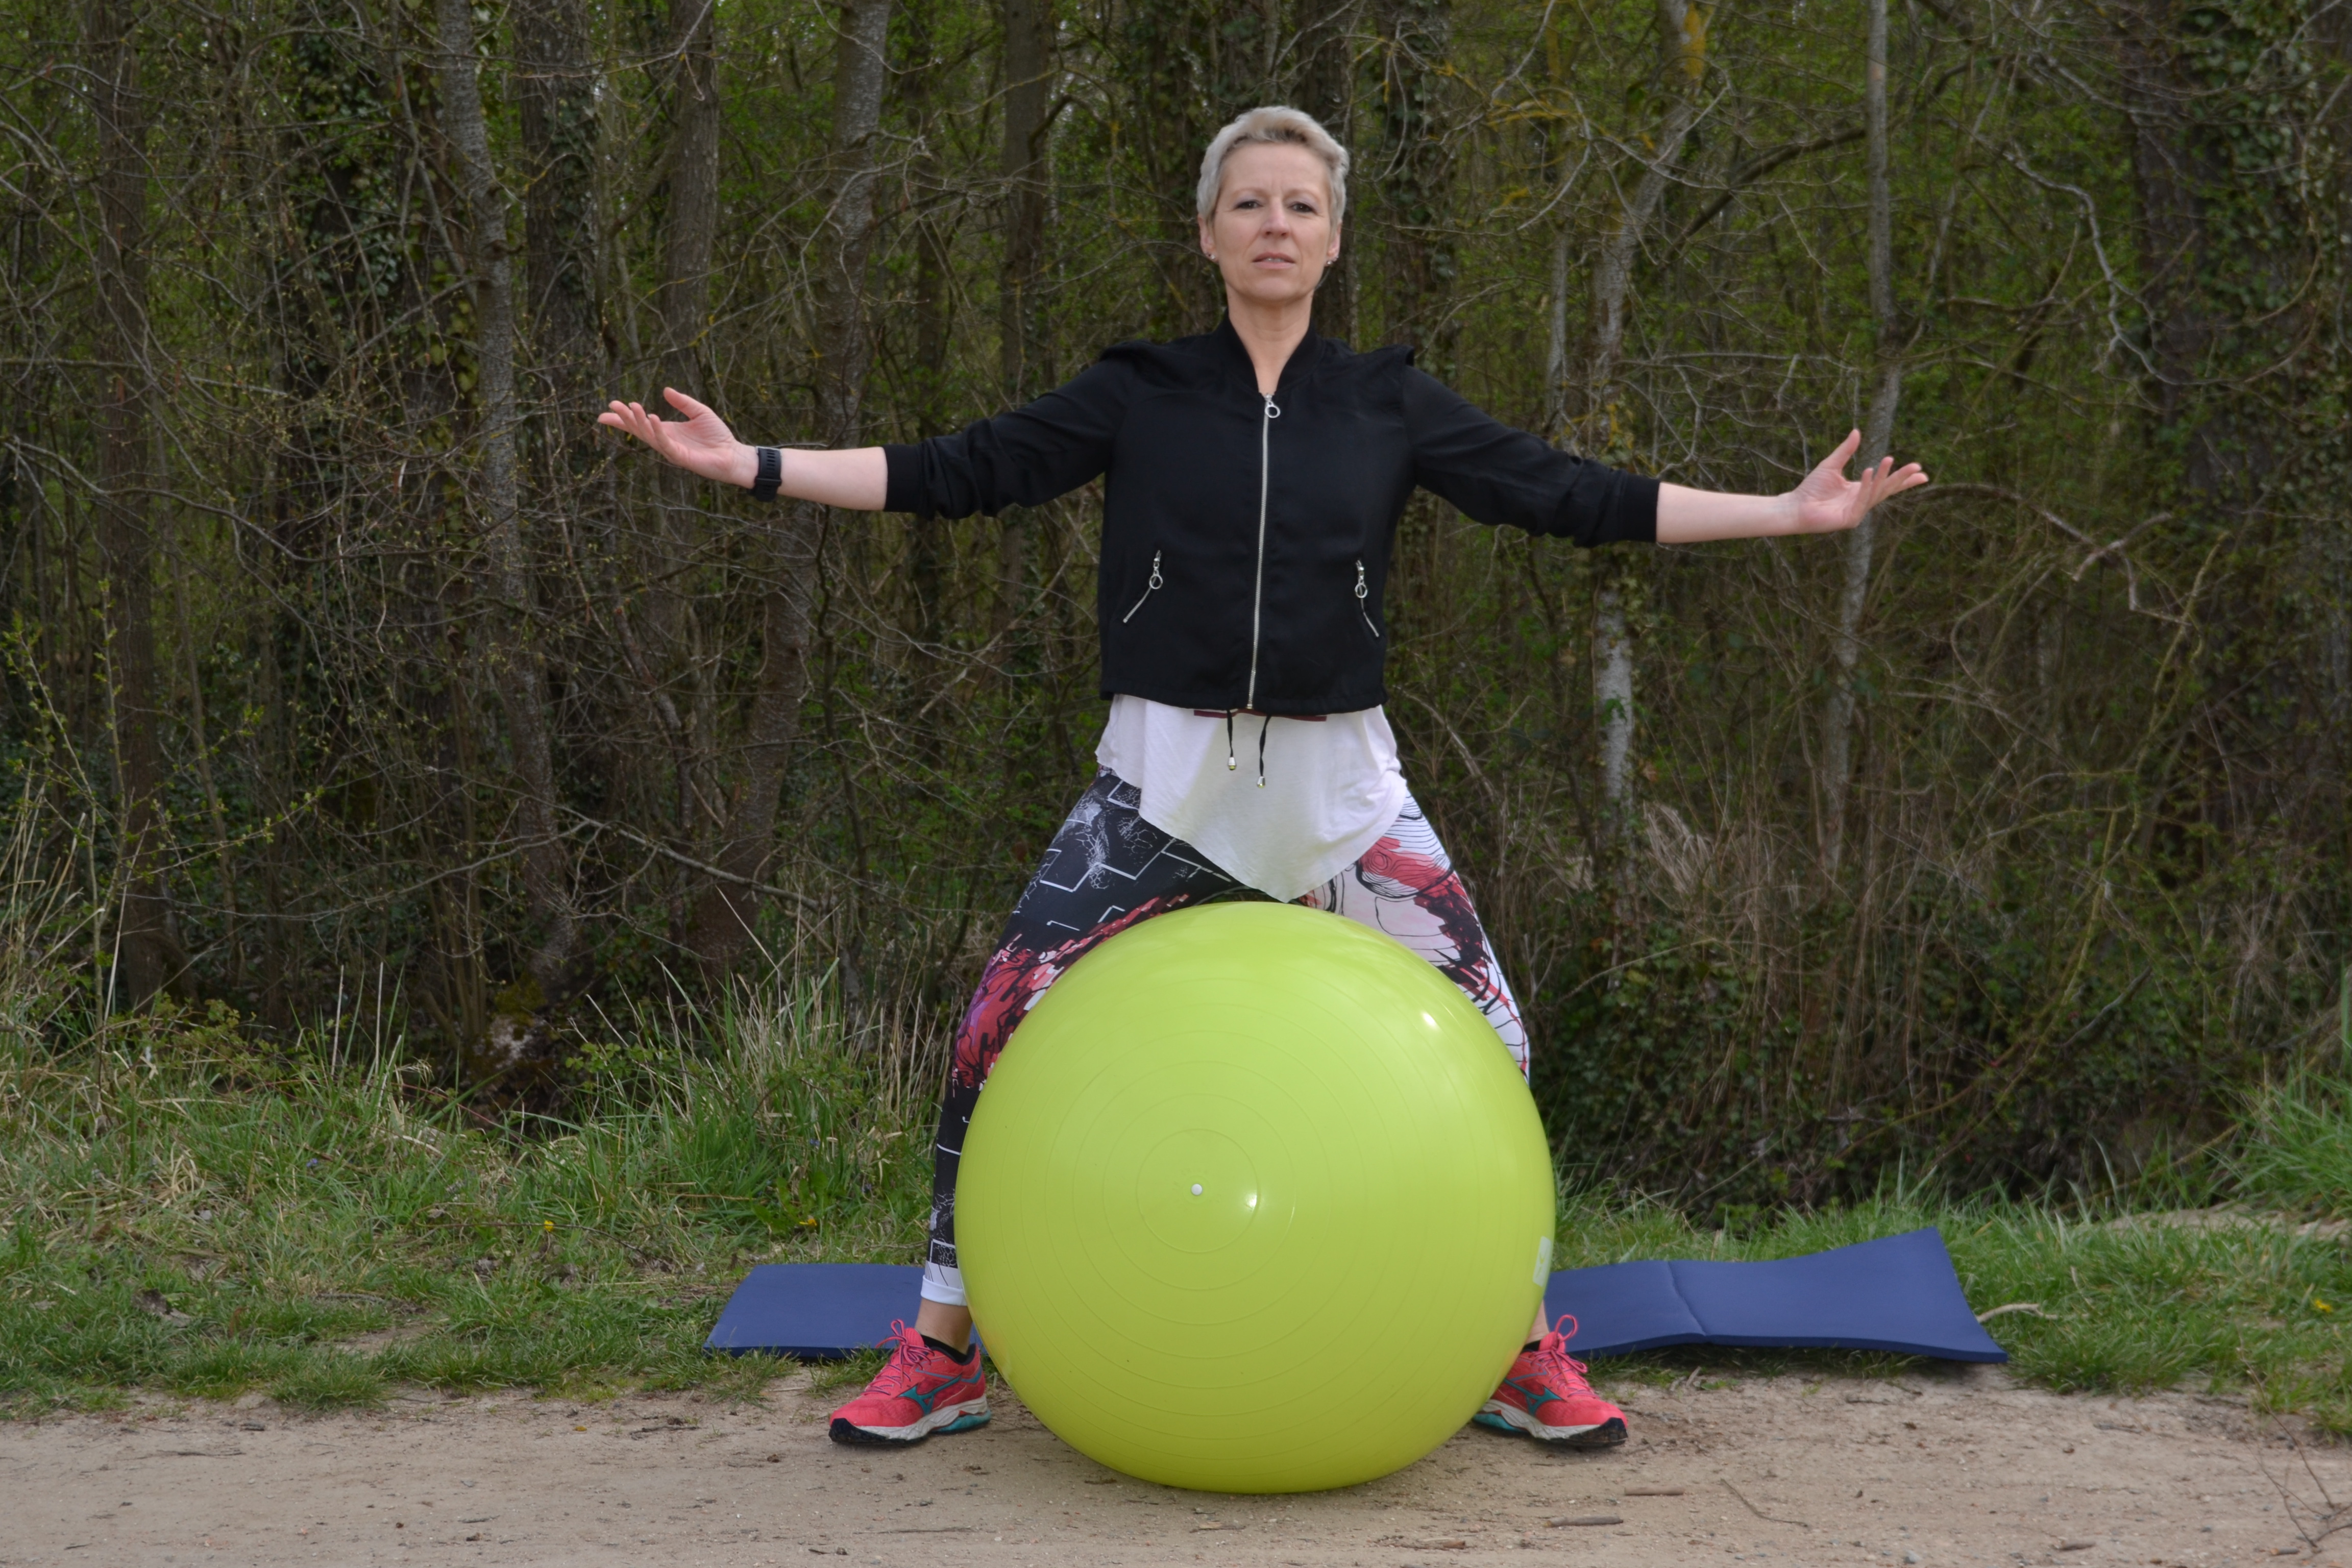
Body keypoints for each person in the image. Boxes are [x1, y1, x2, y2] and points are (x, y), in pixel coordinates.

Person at [602, 105, 1926, 1454]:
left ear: (1335, 238)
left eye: (1300, 205)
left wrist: (1787, 513)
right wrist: (752, 467)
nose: (1275, 225)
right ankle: (944, 1352)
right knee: (994, 1030)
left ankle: (1509, 1345)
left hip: (1340, 794)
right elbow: (962, 470)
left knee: (1500, 1043)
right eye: (1250, 204)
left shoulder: (1391, 403)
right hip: (1159, 789)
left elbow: (1566, 493)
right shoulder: (1139, 391)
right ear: (1208, 234)